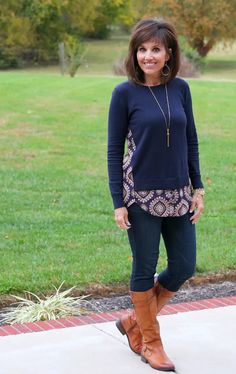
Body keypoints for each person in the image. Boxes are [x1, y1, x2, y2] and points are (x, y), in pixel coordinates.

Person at [107, 17, 204, 372]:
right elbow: (113, 150)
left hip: (178, 194)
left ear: (169, 53)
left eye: (156, 49)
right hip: (140, 197)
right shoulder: (124, 93)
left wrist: (199, 187)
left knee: (183, 265)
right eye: (142, 49)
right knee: (144, 269)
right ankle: (150, 342)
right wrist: (118, 202)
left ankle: (133, 321)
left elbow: (190, 139)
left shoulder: (180, 89)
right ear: (135, 53)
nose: (148, 56)